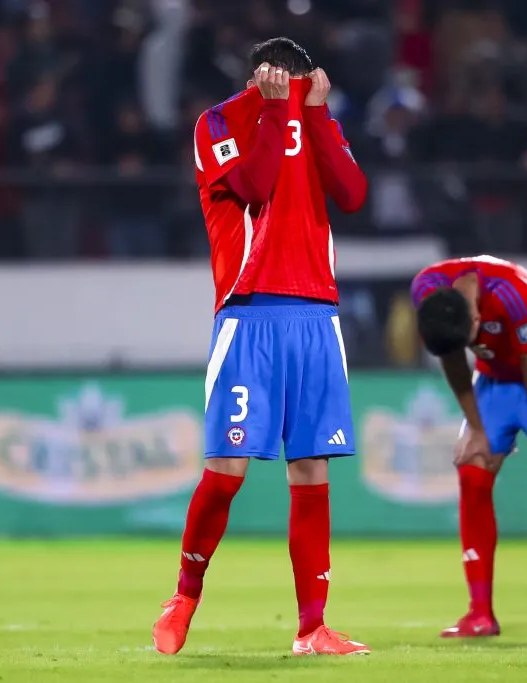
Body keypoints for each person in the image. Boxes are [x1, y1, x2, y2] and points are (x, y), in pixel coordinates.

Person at [152, 38, 369, 657]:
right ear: (262, 77)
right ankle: (184, 597)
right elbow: (251, 187)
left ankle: (313, 628)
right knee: (228, 471)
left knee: (311, 470)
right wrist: (277, 112)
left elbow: (352, 195)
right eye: (282, 84)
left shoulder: (317, 117)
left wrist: (319, 117)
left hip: (317, 314)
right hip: (249, 313)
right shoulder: (219, 121)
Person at [411, 255, 527, 639]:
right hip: (495, 379)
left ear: (476, 319)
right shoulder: (427, 291)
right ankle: (479, 614)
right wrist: (475, 427)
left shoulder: (512, 294)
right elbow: (453, 358)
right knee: (472, 471)